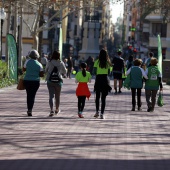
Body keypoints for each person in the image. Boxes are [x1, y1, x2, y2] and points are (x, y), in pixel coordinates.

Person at [45, 51, 67, 117]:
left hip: (50, 81)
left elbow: (46, 70)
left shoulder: (49, 62)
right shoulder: (61, 63)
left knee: (51, 96)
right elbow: (65, 71)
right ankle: (57, 109)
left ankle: (51, 110)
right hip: (58, 81)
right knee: (57, 96)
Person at [23, 49, 44, 116]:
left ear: (30, 56)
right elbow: (41, 74)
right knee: (32, 95)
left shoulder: (27, 62)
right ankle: (30, 110)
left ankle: (29, 109)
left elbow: (23, 69)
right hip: (35, 81)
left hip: (27, 81)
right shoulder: (39, 64)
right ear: (37, 56)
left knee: (28, 95)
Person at [93, 49, 112, 119]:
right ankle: (102, 113)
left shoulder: (96, 62)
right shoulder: (108, 63)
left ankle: (97, 111)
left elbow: (94, 72)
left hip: (98, 79)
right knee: (103, 98)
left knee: (97, 97)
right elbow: (109, 72)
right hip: (105, 79)